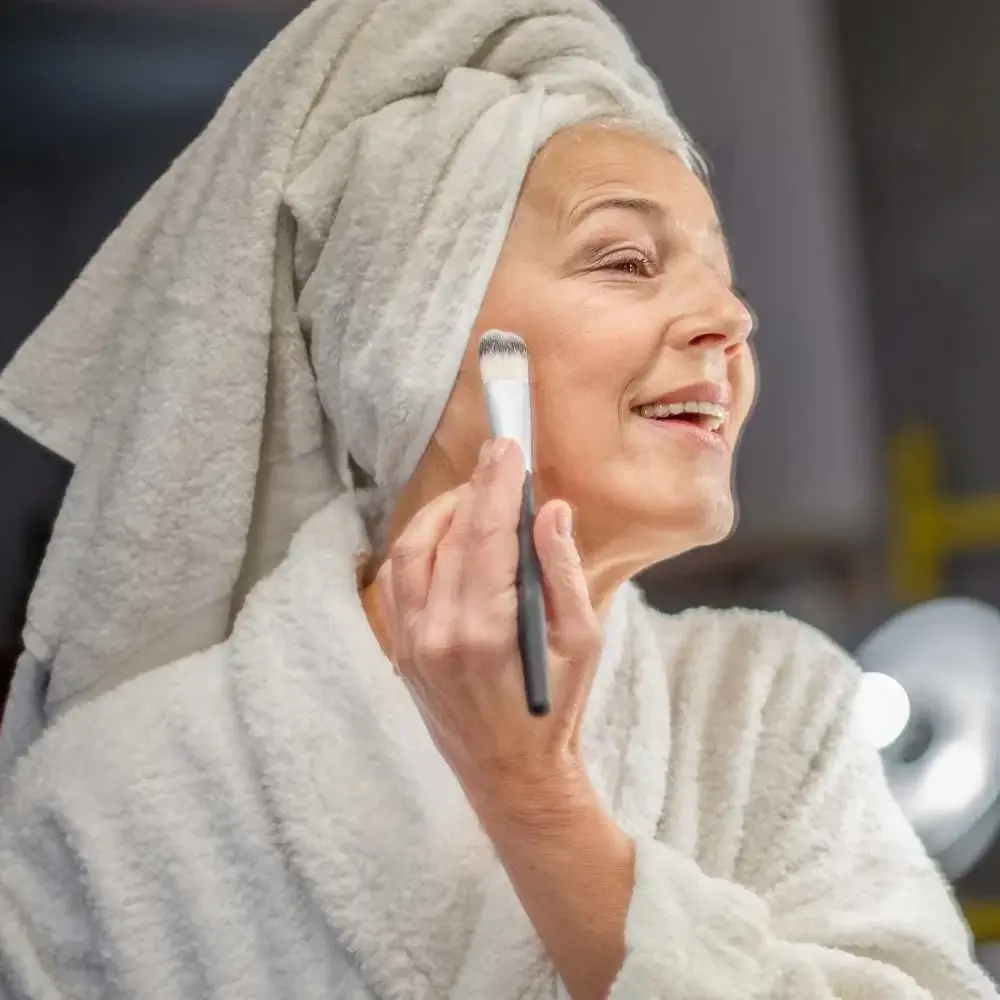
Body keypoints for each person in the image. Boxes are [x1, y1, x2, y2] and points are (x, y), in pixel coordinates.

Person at [0, 1, 994, 998]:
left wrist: (538, 799)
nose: (730, 318)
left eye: (722, 278)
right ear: (412, 341)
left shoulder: (771, 707)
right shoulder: (108, 802)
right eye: (626, 260)